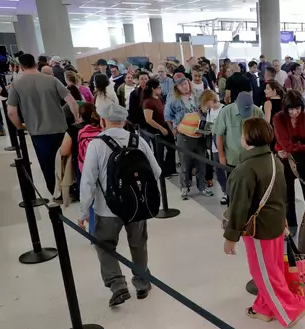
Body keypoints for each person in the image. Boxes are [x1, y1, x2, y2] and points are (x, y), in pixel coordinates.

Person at [223, 117, 305, 327]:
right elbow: (281, 195)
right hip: (275, 224)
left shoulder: (246, 169)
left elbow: (239, 207)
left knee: (264, 272)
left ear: (247, 138)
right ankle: (264, 308)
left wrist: (230, 236)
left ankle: (291, 309)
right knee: (273, 268)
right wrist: (284, 221)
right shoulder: (273, 159)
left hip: (259, 231)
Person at [79, 103, 161, 307]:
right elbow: (156, 172)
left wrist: (83, 211)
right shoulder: (138, 140)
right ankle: (142, 283)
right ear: (124, 121)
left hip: (107, 208)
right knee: (138, 243)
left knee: (105, 245)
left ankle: (117, 285)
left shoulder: (96, 145)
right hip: (137, 206)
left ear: (103, 121)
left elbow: (88, 180)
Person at [7, 53, 80, 194]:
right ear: (35, 63)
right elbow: (71, 101)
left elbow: (11, 112)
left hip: (38, 132)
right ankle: (70, 189)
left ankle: (55, 191)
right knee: (65, 160)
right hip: (60, 129)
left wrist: (20, 127)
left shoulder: (16, 85)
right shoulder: (51, 80)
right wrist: (76, 118)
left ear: (21, 67)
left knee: (47, 165)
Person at [273, 90, 305, 237]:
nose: (294, 112)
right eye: (291, 109)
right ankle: (291, 227)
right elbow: (285, 144)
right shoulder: (278, 118)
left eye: (297, 108)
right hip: (286, 163)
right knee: (287, 197)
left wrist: (294, 146)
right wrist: (302, 146)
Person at [164, 73, 209, 199]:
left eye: (185, 83)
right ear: (176, 87)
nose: (184, 87)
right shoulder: (173, 99)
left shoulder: (198, 95)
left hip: (200, 133)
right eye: (181, 85)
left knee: (202, 162)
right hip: (184, 135)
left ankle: (202, 187)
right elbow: (167, 116)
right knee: (185, 163)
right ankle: (184, 187)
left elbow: (206, 108)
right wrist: (173, 129)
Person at [214, 91, 265, 205]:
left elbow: (262, 136)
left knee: (252, 190)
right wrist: (221, 156)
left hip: (253, 160)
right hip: (233, 159)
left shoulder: (257, 111)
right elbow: (219, 134)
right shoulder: (226, 112)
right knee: (233, 191)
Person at [142, 78, 176, 176]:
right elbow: (148, 119)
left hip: (165, 125)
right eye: (159, 87)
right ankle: (162, 171)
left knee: (171, 147)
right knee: (159, 151)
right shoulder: (148, 102)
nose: (161, 89)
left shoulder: (159, 98)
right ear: (153, 88)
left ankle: (170, 168)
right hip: (156, 130)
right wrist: (161, 128)